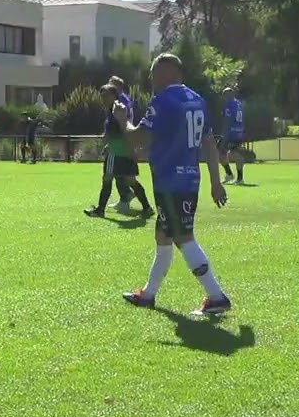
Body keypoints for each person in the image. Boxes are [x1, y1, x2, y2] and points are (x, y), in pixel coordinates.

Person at [115, 53, 233, 316]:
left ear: (164, 74)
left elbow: (138, 140)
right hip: (190, 178)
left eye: (153, 74)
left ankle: (216, 296)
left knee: (182, 237)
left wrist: (123, 120)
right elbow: (210, 144)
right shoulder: (198, 100)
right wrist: (215, 183)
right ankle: (148, 295)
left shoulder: (164, 101)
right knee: (164, 235)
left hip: (170, 181)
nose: (152, 80)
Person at [85, 84, 153, 218]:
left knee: (108, 179)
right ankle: (147, 208)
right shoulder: (114, 111)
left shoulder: (117, 111)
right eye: (102, 96)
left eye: (106, 95)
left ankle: (100, 210)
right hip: (124, 152)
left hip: (116, 153)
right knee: (130, 181)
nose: (103, 98)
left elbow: (123, 130)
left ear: (114, 96)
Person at [108, 76, 138, 212]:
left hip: (123, 139)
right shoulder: (123, 99)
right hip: (123, 138)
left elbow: (122, 121)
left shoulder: (120, 101)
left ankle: (127, 197)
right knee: (121, 172)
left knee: (121, 172)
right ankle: (125, 198)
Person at [220, 87, 247, 185]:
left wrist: (224, 133)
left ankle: (234, 176)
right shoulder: (239, 104)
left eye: (225, 95)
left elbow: (228, 119)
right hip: (239, 131)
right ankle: (233, 175)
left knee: (223, 152)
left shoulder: (229, 104)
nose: (224, 98)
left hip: (231, 133)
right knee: (232, 153)